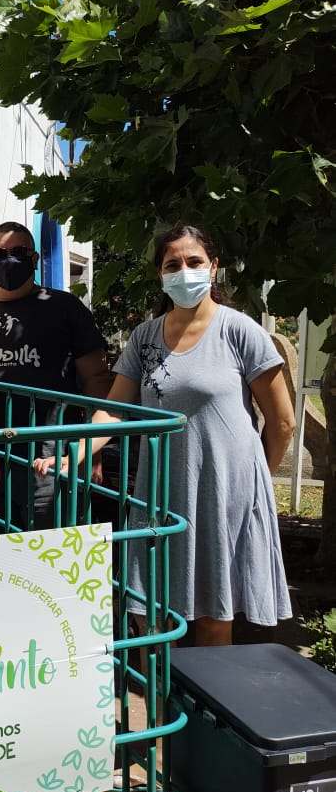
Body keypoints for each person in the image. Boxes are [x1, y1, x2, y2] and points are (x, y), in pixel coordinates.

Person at [43, 223, 294, 646]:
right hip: (159, 490)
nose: (184, 271)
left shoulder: (240, 331)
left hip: (222, 493)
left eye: (194, 262)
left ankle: (207, 691)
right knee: (151, 609)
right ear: (160, 274)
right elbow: (114, 409)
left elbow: (283, 422)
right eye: (172, 264)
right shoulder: (145, 338)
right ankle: (161, 691)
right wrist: (75, 455)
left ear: (213, 268)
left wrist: (255, 482)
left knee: (213, 613)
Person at [0, 220, 111, 527]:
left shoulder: (64, 308)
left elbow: (97, 378)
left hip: (48, 459)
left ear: (35, 259)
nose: (9, 259)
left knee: (49, 545)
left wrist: (92, 450)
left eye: (19, 252)